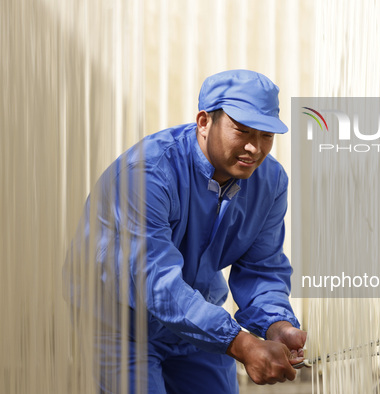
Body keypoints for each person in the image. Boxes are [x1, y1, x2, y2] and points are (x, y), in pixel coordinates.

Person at [64, 69, 307, 393]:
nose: (255, 148)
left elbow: (261, 267)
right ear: (204, 122)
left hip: (195, 314)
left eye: (266, 135)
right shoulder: (147, 174)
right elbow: (155, 283)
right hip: (117, 320)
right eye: (243, 131)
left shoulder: (270, 183)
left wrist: (277, 324)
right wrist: (241, 345)